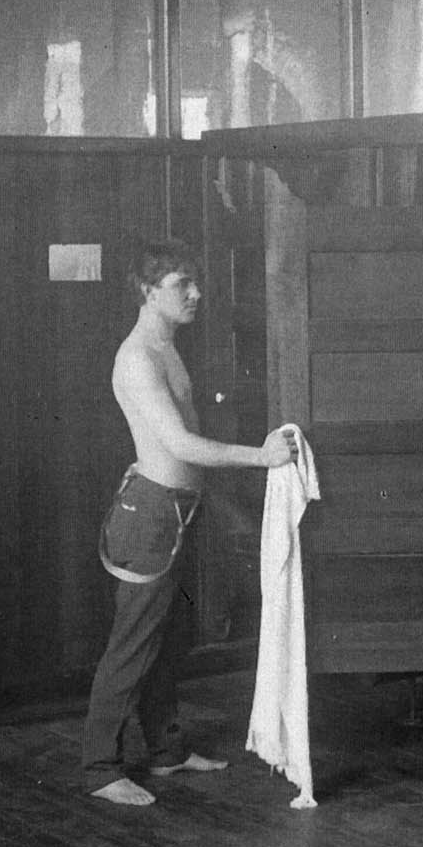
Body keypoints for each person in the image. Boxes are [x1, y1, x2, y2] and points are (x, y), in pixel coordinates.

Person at [81, 240, 296, 806]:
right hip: (150, 516)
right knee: (132, 644)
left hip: (176, 511)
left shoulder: (165, 345)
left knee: (166, 641)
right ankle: (99, 769)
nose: (196, 293)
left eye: (195, 281)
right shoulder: (138, 358)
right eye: (182, 285)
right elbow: (178, 443)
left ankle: (166, 752)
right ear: (149, 293)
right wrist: (262, 456)